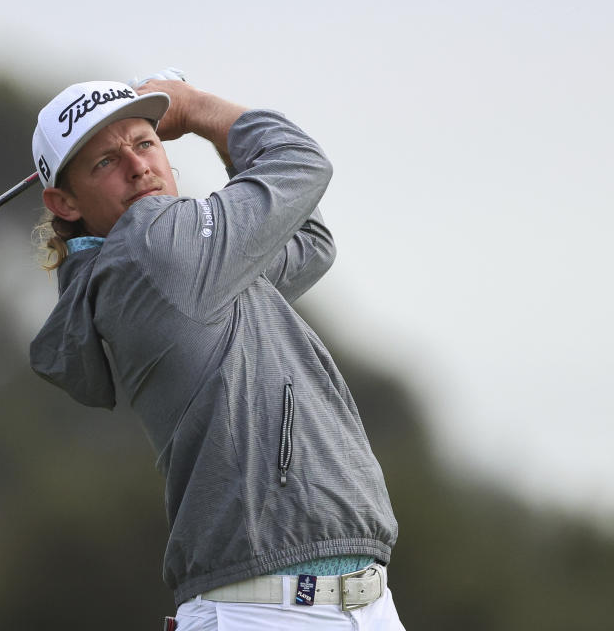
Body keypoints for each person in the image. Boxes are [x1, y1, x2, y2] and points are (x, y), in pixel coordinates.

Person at [29, 73, 406, 630]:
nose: (138, 167)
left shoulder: (183, 265)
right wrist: (196, 108)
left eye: (144, 142)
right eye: (105, 162)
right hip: (264, 612)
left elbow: (309, 242)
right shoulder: (153, 247)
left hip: (353, 606)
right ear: (63, 201)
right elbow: (300, 161)